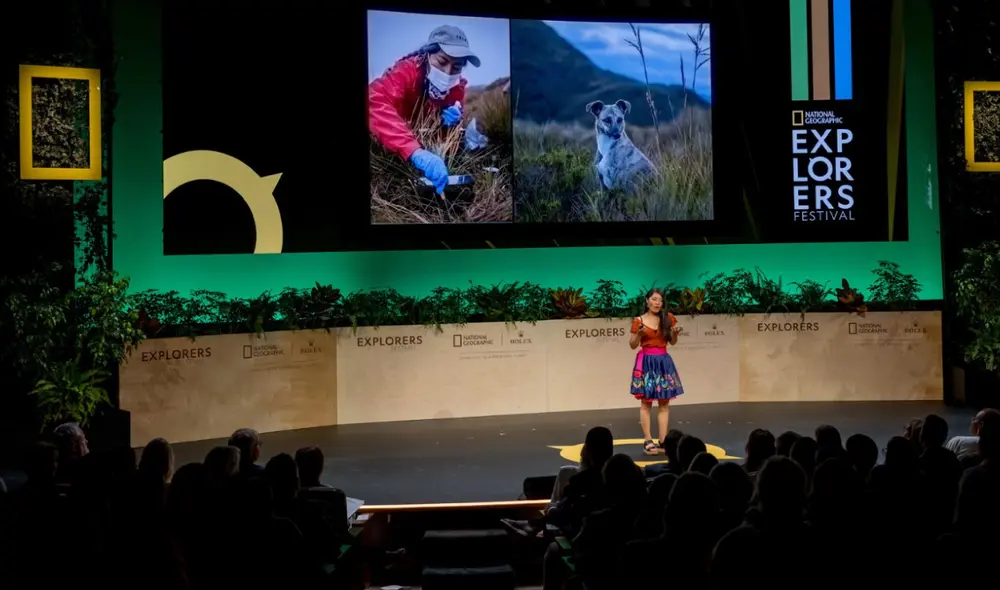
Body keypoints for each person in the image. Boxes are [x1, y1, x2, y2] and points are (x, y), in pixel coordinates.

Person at [368, 24, 481, 195]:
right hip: (390, 145)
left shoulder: (456, 88)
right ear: (428, 54)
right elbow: (372, 100)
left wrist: (448, 125)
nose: (448, 72)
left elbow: (446, 138)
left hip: (423, 147)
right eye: (442, 62)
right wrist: (414, 151)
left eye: (456, 67)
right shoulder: (406, 71)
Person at [629, 288, 684, 454]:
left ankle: (663, 440)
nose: (657, 303)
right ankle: (647, 440)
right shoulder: (638, 321)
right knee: (646, 403)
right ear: (647, 301)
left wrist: (675, 334)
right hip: (646, 363)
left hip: (663, 362)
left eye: (659, 300)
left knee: (664, 403)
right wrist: (638, 335)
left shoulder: (668, 319)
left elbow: (672, 342)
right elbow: (632, 344)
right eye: (653, 299)